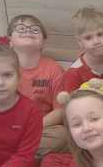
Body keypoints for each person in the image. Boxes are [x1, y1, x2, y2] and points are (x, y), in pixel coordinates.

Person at [41, 7, 103, 153]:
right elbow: (68, 111)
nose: (96, 41)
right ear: (80, 42)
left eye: (100, 34)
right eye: (88, 38)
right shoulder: (74, 73)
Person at [7, 14, 65, 157]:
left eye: (35, 30)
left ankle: (13, 153)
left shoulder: (54, 69)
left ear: (43, 42)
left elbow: (60, 111)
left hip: (42, 128)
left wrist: (31, 128)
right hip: (9, 128)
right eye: (21, 29)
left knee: (63, 136)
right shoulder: (3, 67)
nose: (28, 31)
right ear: (10, 41)